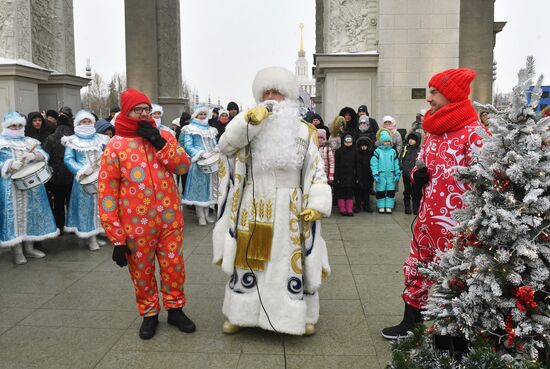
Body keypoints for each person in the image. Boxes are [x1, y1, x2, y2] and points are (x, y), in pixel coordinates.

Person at [213, 66, 332, 336]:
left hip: (292, 208)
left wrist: (317, 204)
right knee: (249, 262)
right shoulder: (249, 126)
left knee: (290, 262)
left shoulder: (305, 132)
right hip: (254, 204)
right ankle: (240, 314)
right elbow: (225, 147)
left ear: (288, 97)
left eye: (277, 93)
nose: (271, 97)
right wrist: (248, 122)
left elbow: (317, 173)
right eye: (266, 92)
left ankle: (298, 316)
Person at [382, 68, 485, 339]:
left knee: (452, 277)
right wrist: (419, 175)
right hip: (427, 219)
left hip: (457, 226)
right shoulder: (434, 132)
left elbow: (488, 181)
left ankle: (450, 334)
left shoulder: (474, 133)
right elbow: (418, 168)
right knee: (416, 267)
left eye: (434, 92)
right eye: (429, 91)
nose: (429, 98)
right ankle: (410, 324)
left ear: (451, 94)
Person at [98, 88, 195, 340]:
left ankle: (175, 309)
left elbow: (183, 165)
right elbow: (107, 194)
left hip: (169, 219)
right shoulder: (115, 146)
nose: (143, 114)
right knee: (141, 270)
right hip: (135, 225)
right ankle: (149, 313)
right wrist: (117, 238)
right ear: (127, 112)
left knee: (173, 266)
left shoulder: (164, 136)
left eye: (146, 110)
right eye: (137, 110)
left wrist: (159, 142)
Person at [0, 112, 59, 264]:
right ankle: (17, 251)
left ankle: (29, 247)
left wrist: (35, 156)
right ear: (7, 126)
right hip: (10, 186)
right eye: (13, 125)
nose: (17, 128)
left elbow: (45, 155)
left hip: (32, 185)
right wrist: (9, 164)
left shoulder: (30, 141)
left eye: (20, 125)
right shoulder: (1, 142)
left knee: (32, 214)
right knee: (15, 217)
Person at [62, 110, 109, 251]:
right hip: (83, 181)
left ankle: (97, 232)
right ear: (78, 123)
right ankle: (90, 237)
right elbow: (68, 159)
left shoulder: (101, 139)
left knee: (100, 207)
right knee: (86, 208)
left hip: (101, 178)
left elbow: (108, 155)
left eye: (89, 121)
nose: (86, 124)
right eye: (83, 122)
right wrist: (81, 170)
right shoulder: (71, 141)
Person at [180, 106, 219, 226]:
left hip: (211, 164)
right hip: (198, 164)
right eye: (200, 114)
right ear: (195, 116)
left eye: (204, 114)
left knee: (208, 190)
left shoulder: (212, 130)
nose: (202, 116)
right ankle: (200, 216)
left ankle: (207, 214)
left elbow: (214, 143)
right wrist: (200, 153)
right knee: (199, 190)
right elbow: (187, 146)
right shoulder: (189, 129)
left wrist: (216, 149)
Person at [43, 114, 74, 231]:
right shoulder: (74, 137)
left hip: (56, 176)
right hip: (72, 174)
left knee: (58, 202)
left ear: (57, 123)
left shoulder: (50, 138)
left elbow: (46, 156)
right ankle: (72, 227)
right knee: (72, 202)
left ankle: (59, 226)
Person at [371, 130, 400, 214]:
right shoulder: (377, 152)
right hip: (381, 175)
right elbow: (374, 164)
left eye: (388, 141)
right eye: (385, 141)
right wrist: (375, 174)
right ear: (381, 142)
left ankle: (389, 206)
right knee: (380, 191)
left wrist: (397, 173)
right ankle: (381, 206)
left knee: (390, 191)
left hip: (391, 174)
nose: (387, 143)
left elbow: (396, 163)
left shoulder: (393, 152)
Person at [334, 133, 357, 216]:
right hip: (341, 175)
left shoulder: (355, 151)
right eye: (346, 142)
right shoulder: (339, 151)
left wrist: (356, 176)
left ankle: (349, 208)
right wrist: (336, 177)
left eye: (350, 142)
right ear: (343, 142)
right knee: (341, 192)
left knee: (350, 192)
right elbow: (336, 165)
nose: (348, 144)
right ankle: (342, 208)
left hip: (351, 175)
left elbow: (357, 164)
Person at [400, 132, 422, 214]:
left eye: (413, 139)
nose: (411, 141)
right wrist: (402, 166)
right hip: (406, 173)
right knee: (407, 190)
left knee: (416, 191)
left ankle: (415, 207)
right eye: (410, 139)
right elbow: (401, 158)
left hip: (415, 174)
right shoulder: (405, 148)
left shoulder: (420, 150)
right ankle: (407, 207)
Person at [354, 136, 374, 213]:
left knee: (366, 192)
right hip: (359, 175)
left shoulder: (370, 154)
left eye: (365, 146)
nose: (363, 147)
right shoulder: (357, 154)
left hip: (367, 175)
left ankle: (367, 205)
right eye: (362, 146)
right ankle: (358, 206)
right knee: (358, 192)